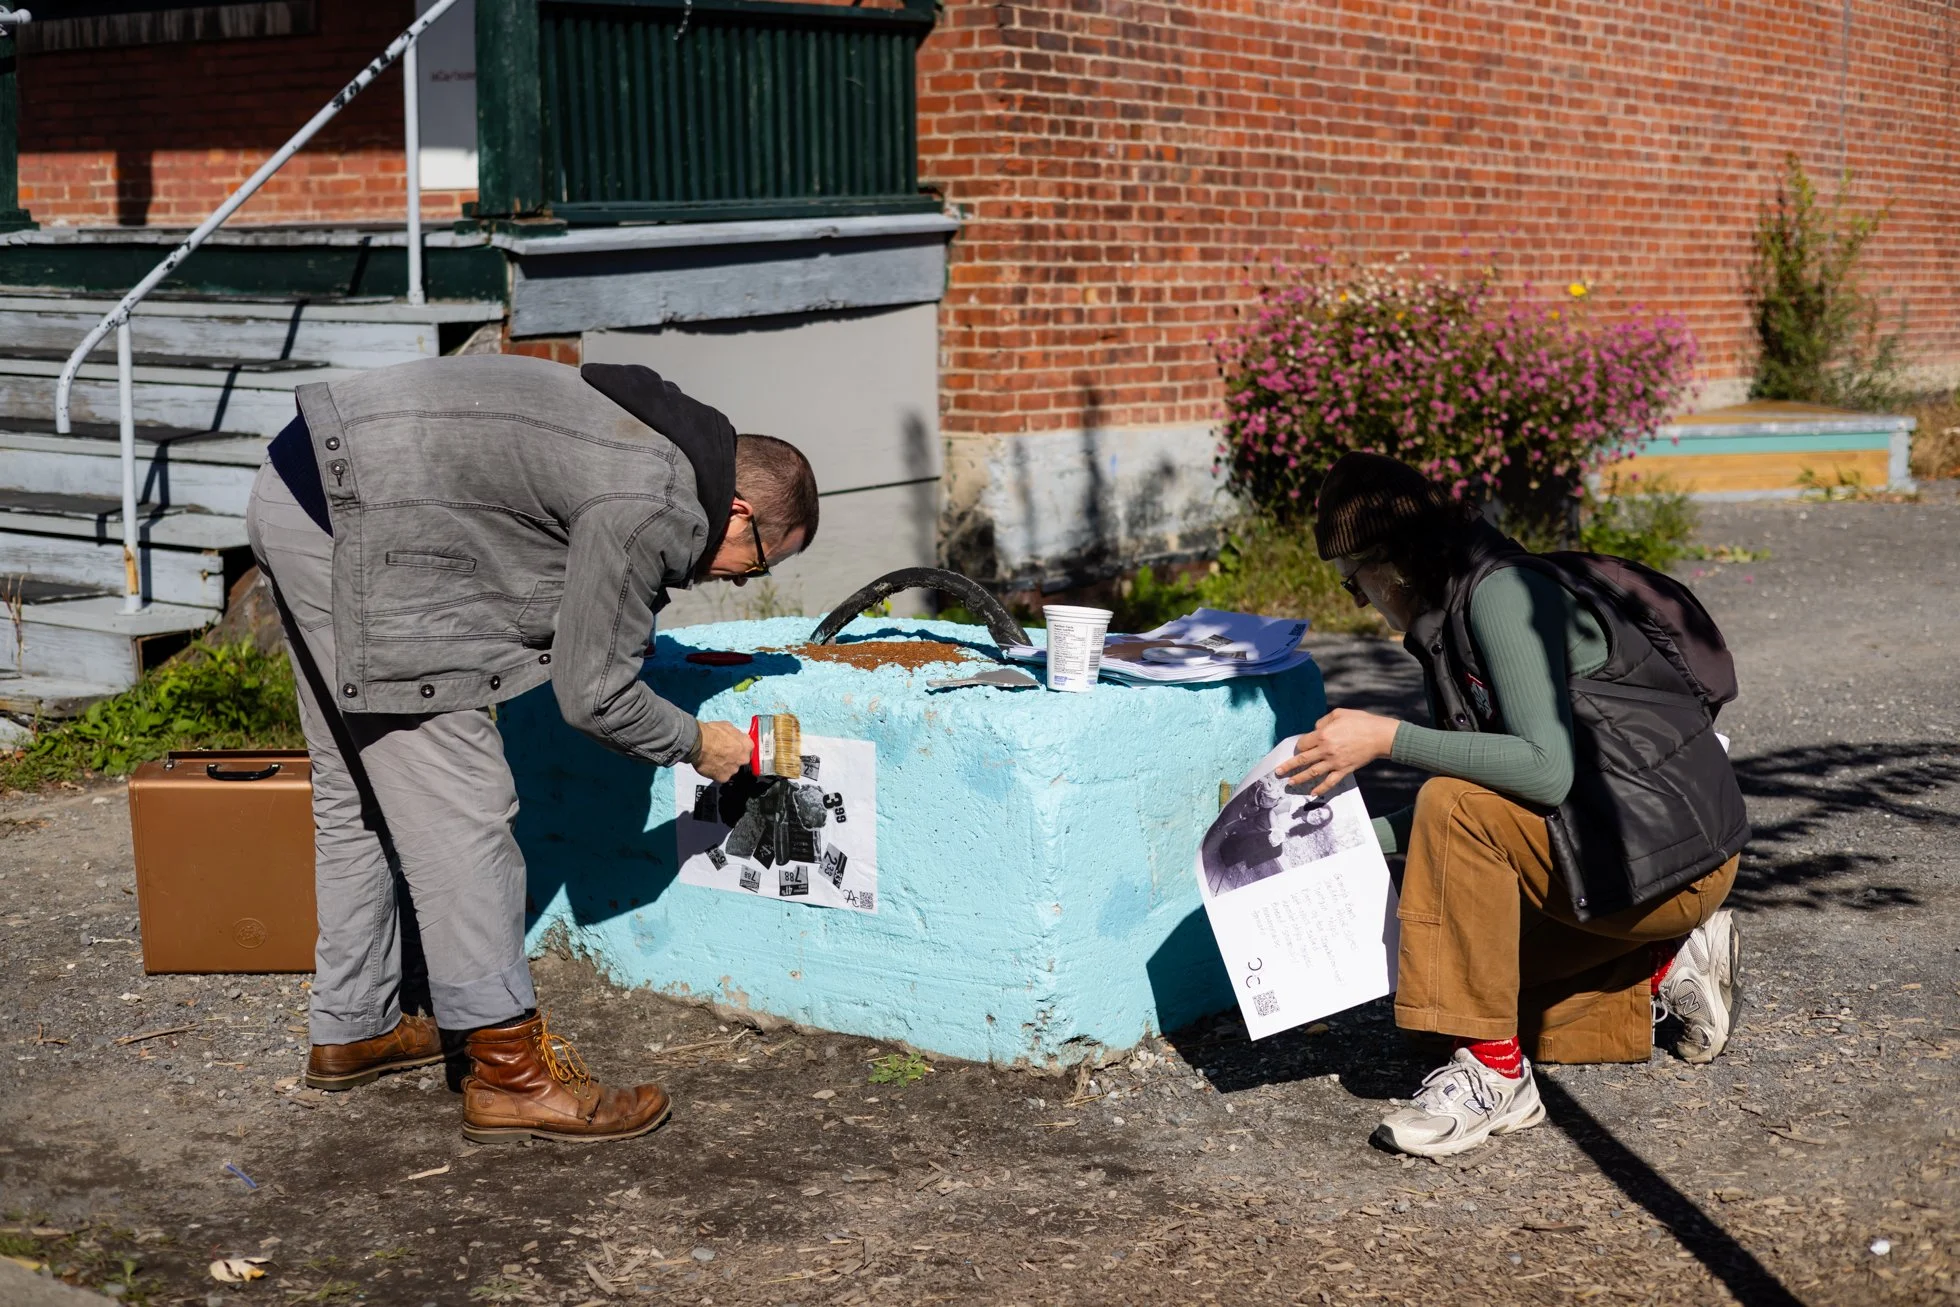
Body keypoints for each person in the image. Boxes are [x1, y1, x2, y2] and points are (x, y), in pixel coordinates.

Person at [244, 354, 818, 1143]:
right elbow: (595, 696)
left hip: (306, 485)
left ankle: (355, 1023)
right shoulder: (657, 500)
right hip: (359, 515)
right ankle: (509, 1072)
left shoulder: (662, 444)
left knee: (359, 791)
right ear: (742, 510)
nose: (739, 581)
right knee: (466, 806)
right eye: (756, 564)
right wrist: (696, 744)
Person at [1276, 452, 1744, 1159]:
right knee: (1438, 1005)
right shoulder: (1448, 618)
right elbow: (1495, 784)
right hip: (1620, 859)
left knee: (1452, 822)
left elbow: (1543, 771)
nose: (1360, 600)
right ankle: (1662, 963)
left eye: (1354, 582)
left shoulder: (1503, 595)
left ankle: (1497, 1077)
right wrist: (1354, 840)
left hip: (1670, 859)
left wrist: (1388, 738)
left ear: (1390, 565)